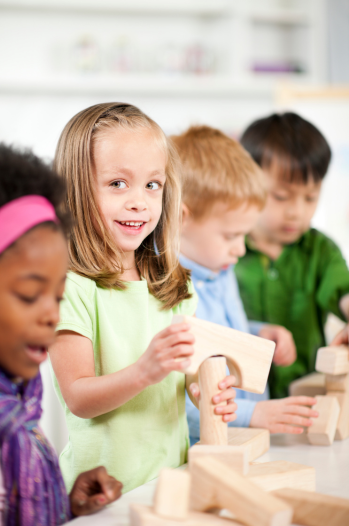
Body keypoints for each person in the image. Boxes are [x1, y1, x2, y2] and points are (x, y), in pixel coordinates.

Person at [48, 103, 238, 494]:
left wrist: (205, 392)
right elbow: (79, 397)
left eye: (153, 185)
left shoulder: (175, 287)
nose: (140, 201)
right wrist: (144, 371)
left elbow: (186, 379)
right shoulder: (71, 289)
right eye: (118, 183)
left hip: (172, 481)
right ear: (77, 190)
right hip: (100, 496)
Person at [0, 143, 123, 526]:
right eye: (27, 295)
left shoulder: (9, 402)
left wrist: (63, 505)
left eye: (57, 297)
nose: (51, 316)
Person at [171, 125, 318, 446]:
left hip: (243, 441)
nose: (240, 249)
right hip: (202, 449)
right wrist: (253, 414)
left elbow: (219, 340)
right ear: (180, 219)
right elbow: (172, 402)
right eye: (230, 236)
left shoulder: (219, 268)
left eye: (244, 235)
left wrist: (257, 332)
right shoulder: (168, 292)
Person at [236, 112, 349, 398]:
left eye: (310, 197)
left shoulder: (320, 250)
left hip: (306, 398)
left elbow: (342, 293)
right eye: (281, 196)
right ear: (247, 181)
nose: (297, 211)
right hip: (240, 404)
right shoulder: (226, 249)